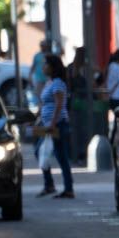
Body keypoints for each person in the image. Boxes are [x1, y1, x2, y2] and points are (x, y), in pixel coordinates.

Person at [38, 54, 74, 199]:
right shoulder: (50, 82)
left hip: (57, 125)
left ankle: (67, 188)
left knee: (61, 156)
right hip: (48, 124)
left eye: (46, 64)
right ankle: (50, 184)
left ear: (52, 67)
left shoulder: (58, 83)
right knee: (41, 152)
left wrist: (52, 124)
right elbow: (47, 104)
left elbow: (59, 105)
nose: (43, 67)